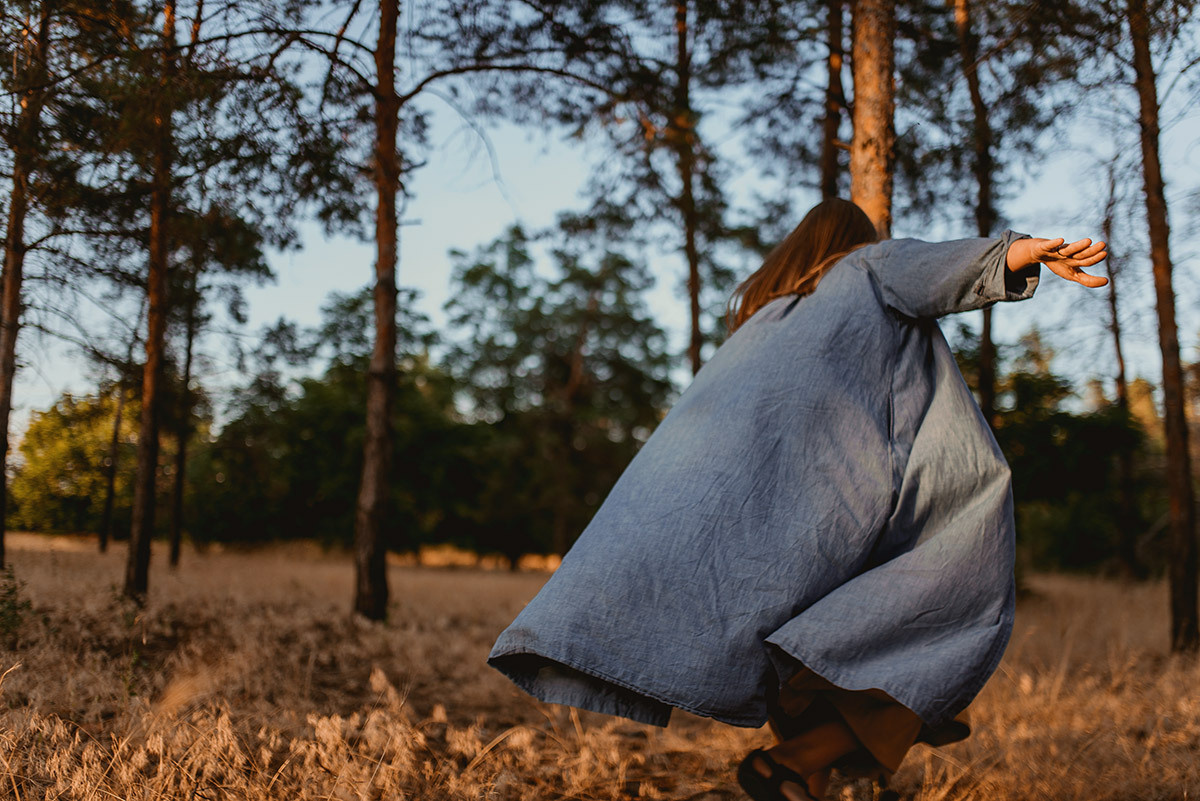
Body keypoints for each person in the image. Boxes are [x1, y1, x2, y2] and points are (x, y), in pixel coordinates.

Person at [487, 198, 1108, 801]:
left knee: (807, 667)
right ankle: (786, 764)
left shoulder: (761, 319)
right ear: (853, 242)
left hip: (779, 528)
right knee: (938, 642)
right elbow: (932, 269)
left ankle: (794, 778)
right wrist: (1018, 253)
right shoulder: (866, 268)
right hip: (860, 503)